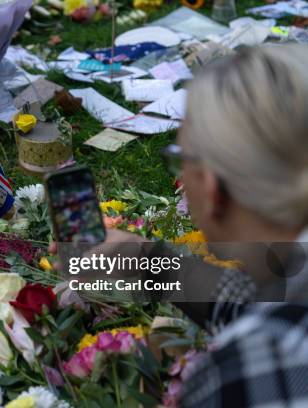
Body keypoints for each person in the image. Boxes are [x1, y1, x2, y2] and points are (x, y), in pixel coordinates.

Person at [75, 44, 308, 407]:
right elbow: (262, 304)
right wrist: (147, 260)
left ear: (212, 189)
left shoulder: (241, 377)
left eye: (181, 160)